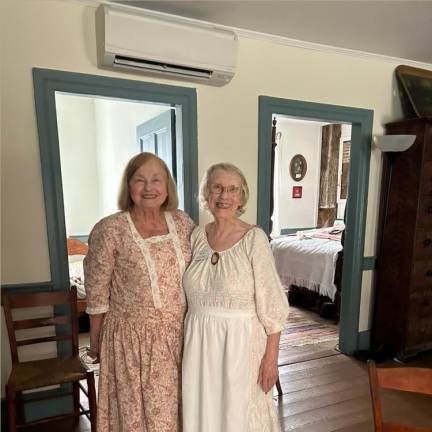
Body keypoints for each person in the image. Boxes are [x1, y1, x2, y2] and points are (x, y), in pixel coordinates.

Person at [84, 152, 194, 432]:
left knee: (182, 413)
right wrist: (95, 346)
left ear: (167, 185)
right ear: (128, 185)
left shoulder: (183, 223)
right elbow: (97, 297)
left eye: (157, 179)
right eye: (140, 180)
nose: (149, 188)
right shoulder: (110, 230)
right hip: (132, 344)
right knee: (139, 420)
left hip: (181, 337)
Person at [182, 162, 289, 432]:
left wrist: (271, 359)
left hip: (242, 343)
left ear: (242, 196)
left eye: (232, 189)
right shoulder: (196, 236)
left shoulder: (254, 239)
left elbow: (273, 305)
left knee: (238, 415)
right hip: (199, 342)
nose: (224, 196)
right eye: (217, 187)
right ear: (206, 193)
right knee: (203, 409)